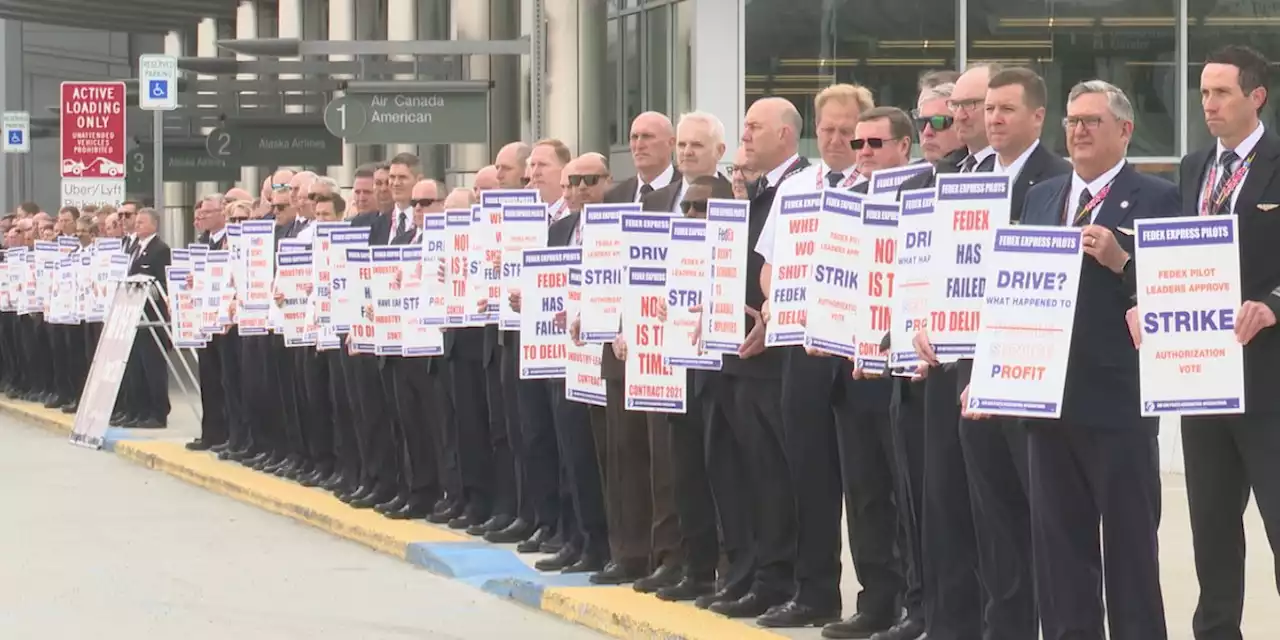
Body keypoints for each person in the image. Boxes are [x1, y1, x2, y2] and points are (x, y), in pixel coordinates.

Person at [995, 79, 1173, 640]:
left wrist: (1125, 262)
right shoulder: (1042, 196)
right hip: (1047, 401)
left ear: (1125, 130)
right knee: (1060, 552)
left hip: (1118, 399)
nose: (1078, 131)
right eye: (1072, 121)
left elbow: (1177, 293)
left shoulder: (1160, 198)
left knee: (1130, 551)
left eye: (1092, 121)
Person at [1169, 44, 1280, 640]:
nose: (1208, 104)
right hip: (1201, 373)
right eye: (1204, 92)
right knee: (1211, 526)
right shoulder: (1193, 167)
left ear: (1256, 96)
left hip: (1269, 377)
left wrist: (1274, 306)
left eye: (1221, 93)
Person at [592, 111, 685, 588]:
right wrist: (604, 320)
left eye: (649, 136)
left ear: (670, 142)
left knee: (663, 454)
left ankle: (667, 554)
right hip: (619, 345)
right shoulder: (614, 197)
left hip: (663, 345)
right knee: (623, 451)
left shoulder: (686, 195)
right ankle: (626, 552)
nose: (640, 144)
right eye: (633, 137)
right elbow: (604, 267)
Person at [123, 208, 171, 429]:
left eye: (142, 222)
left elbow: (161, 283)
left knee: (153, 367)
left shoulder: (160, 250)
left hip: (152, 316)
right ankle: (139, 410)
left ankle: (158, 412)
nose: (137, 225)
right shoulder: (134, 247)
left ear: (154, 225)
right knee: (136, 367)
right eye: (137, 222)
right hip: (134, 314)